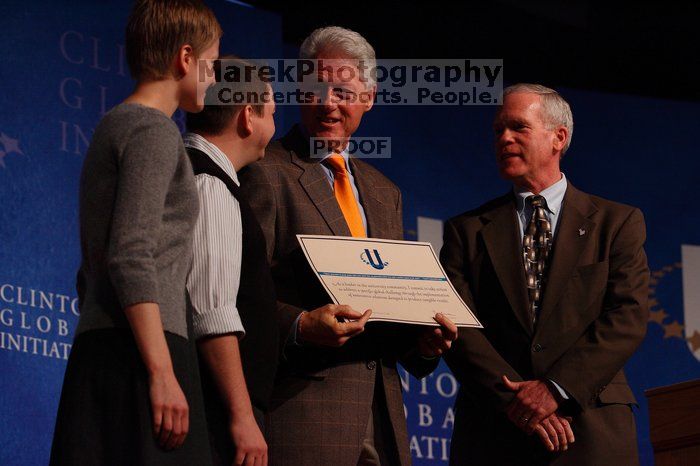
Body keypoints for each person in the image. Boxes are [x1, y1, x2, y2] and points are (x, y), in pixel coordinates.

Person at [239, 26, 458, 466]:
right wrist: (300, 325)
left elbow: (388, 303)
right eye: (316, 88)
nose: (328, 103)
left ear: (369, 97)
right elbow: (240, 292)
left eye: (342, 91)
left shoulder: (384, 192)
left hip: (384, 417)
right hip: (302, 414)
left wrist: (423, 344)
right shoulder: (266, 173)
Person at [441, 83, 649, 465]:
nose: (503, 138)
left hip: (590, 427)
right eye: (497, 130)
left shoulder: (616, 223)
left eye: (518, 127)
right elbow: (457, 325)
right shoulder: (466, 230)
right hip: (494, 431)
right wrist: (516, 401)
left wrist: (556, 389)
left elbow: (628, 317)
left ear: (559, 137)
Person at [49, 1, 220, 464]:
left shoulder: (115, 125)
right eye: (212, 63)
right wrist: (162, 370)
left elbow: (94, 272)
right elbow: (129, 255)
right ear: (185, 58)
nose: (213, 77)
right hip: (142, 354)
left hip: (108, 350)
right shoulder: (152, 131)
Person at [183, 57, 278, 466]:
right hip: (216, 415)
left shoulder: (199, 176)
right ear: (247, 117)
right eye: (272, 113)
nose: (274, 127)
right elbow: (212, 312)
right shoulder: (210, 185)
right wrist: (241, 417)